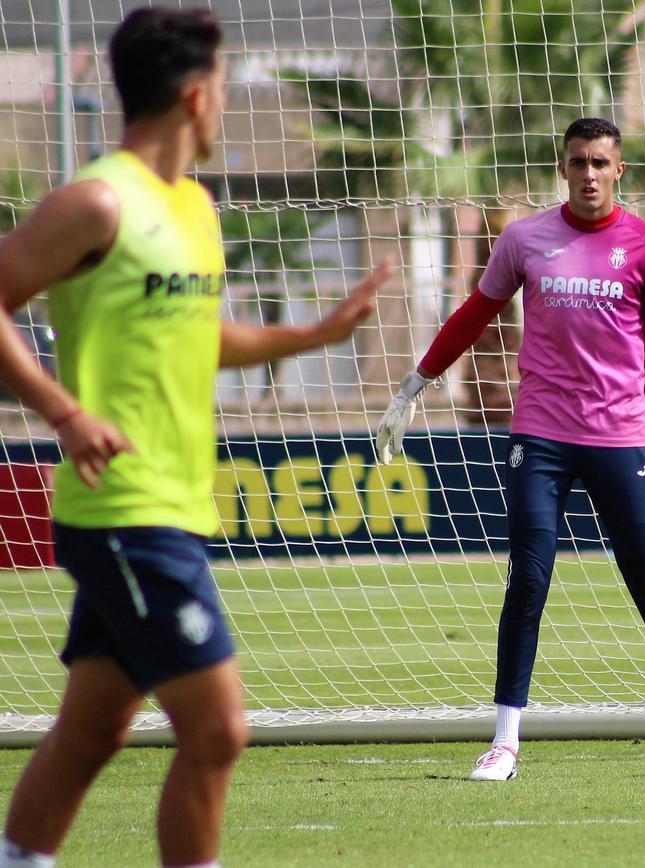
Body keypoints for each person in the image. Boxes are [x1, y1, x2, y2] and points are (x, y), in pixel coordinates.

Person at [0, 9, 391, 867]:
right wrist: (62, 411)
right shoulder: (96, 201)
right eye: (222, 86)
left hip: (173, 504)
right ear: (194, 95)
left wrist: (310, 337)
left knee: (94, 730)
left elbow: (195, 333)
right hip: (123, 509)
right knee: (218, 731)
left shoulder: (196, 207)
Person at [376, 117, 645, 781]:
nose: (588, 174)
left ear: (619, 172)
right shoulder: (525, 239)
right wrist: (415, 383)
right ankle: (504, 742)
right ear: (564, 168)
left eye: (599, 163)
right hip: (543, 436)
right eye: (578, 162)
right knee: (528, 579)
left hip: (621, 437)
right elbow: (475, 313)